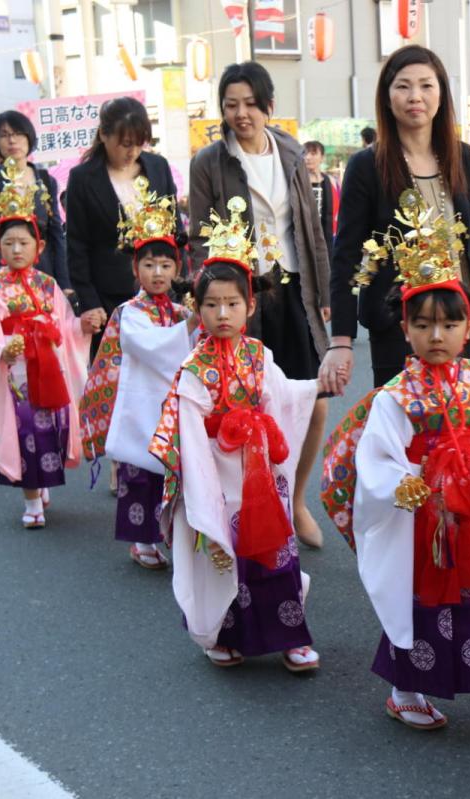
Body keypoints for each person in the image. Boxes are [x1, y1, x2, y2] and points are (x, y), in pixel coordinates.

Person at [335, 198, 470, 738]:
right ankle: (403, 690)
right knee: (422, 603)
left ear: (468, 325)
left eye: (450, 323)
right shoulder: (395, 395)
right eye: (425, 324)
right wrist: (400, 485)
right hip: (426, 517)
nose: (438, 335)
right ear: (404, 327)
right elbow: (376, 457)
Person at [150, 196, 320, 672]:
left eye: (232, 303)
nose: (222, 313)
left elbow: (280, 399)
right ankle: (224, 633)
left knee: (274, 553)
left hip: (260, 473)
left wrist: (316, 387)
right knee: (226, 556)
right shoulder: (193, 368)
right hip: (217, 475)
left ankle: (291, 635)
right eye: (211, 304)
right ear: (197, 308)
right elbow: (185, 429)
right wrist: (204, 483)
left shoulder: (259, 355)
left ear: (250, 305)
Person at [189, 61, 331, 548]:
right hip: (245, 297)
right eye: (231, 105)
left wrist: (325, 292)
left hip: (295, 291)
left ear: (268, 106)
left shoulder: (290, 151)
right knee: (246, 408)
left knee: (312, 405)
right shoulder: (209, 161)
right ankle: (248, 509)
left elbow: (311, 227)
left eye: (250, 103)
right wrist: (209, 301)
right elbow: (199, 237)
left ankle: (295, 499)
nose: (241, 113)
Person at [324, 45, 470, 391]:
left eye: (426, 85)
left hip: (457, 318)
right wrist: (342, 340)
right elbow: (347, 256)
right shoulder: (367, 166)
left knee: (458, 426)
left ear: (441, 93)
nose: (415, 96)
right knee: (403, 429)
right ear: (387, 96)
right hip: (399, 324)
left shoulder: (463, 158)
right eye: (403, 86)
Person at [0, 158, 103, 529]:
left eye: (23, 242)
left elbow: (65, 327)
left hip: (50, 369)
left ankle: (40, 484)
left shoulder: (47, 285)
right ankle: (31, 502)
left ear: (37, 246)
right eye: (8, 242)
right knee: (25, 431)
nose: (16, 249)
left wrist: (83, 327)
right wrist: (0, 349)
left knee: (51, 428)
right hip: (18, 374)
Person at [79, 177, 198, 569]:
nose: (158, 272)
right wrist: (189, 327)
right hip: (141, 404)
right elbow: (150, 347)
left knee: (173, 470)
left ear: (176, 267)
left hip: (172, 404)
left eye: (166, 264)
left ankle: (173, 533)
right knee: (141, 473)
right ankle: (141, 540)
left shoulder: (181, 312)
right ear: (136, 267)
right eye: (149, 264)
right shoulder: (131, 312)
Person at [66, 97, 181, 333]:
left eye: (139, 144)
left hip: (160, 291)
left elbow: (175, 229)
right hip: (108, 296)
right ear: (103, 135)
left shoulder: (158, 166)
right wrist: (89, 301)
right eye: (125, 144)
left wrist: (179, 284)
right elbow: (77, 245)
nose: (133, 152)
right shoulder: (83, 178)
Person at [0, 111, 70, 299]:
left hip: (42, 273)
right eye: (4, 135)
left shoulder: (46, 180)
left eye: (18, 134)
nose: (12, 141)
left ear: (29, 137)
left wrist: (65, 283)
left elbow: (56, 236)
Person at [302, 140, 336, 258]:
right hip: (303, 236)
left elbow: (331, 212)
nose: (308, 157)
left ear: (322, 157)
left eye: (313, 154)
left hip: (323, 235)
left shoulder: (327, 180)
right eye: (305, 153)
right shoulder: (298, 180)